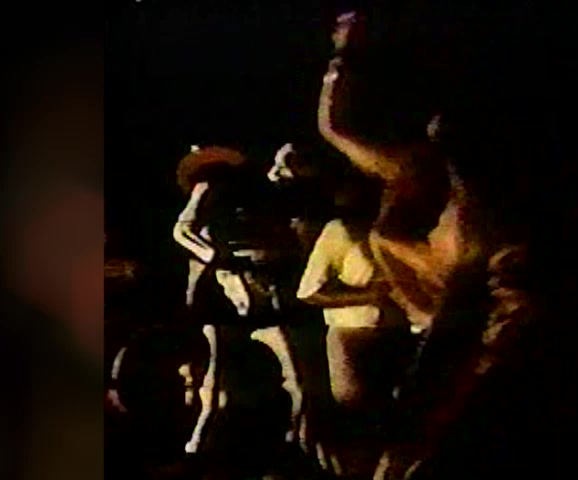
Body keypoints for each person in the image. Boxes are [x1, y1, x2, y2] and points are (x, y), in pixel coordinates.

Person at [316, 12, 538, 479]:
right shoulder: (422, 178)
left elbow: (489, 313)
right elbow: (340, 131)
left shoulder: (483, 188)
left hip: (502, 373)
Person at [172, 145, 304, 454]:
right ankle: (199, 443)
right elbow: (183, 230)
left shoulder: (253, 201)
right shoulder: (209, 189)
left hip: (257, 290)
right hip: (220, 293)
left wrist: (262, 255)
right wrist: (217, 257)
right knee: (216, 376)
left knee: (293, 373)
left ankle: (295, 439)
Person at [295, 178, 414, 478]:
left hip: (400, 335)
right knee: (357, 419)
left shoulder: (405, 227)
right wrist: (369, 296)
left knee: (399, 420)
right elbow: (310, 291)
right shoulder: (341, 231)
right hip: (353, 337)